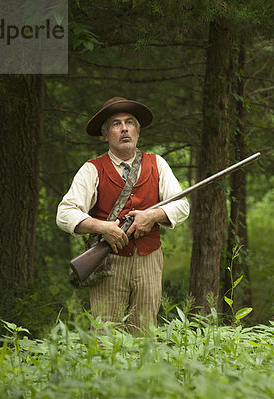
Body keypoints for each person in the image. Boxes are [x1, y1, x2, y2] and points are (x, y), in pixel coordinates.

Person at [56, 97, 190, 334]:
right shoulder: (92, 169)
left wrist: (153, 215)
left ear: (138, 131)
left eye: (129, 123)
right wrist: (102, 228)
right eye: (116, 124)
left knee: (145, 334)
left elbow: (182, 206)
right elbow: (65, 213)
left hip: (150, 259)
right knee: (106, 336)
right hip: (109, 262)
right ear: (106, 135)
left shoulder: (157, 163)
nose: (124, 128)